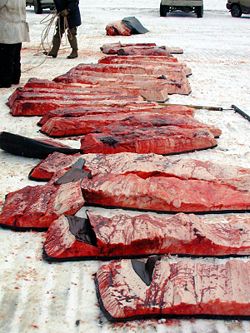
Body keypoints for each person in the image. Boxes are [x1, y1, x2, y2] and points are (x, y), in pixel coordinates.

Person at [0, 0, 30, 88]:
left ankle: (4, 81)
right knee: (15, 57)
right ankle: (15, 78)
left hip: (7, 29)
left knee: (5, 58)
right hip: (18, 29)